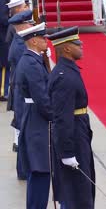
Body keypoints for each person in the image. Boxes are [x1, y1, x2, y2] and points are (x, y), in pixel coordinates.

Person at [47, 26, 95, 209]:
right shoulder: (64, 77)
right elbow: (62, 118)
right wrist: (67, 152)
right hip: (73, 134)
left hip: (79, 129)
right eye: (77, 44)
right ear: (66, 48)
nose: (81, 46)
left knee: (80, 188)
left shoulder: (68, 70)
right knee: (76, 191)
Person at [15, 22, 51, 208]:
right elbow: (42, 98)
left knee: (39, 171)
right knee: (40, 170)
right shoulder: (31, 63)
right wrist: (55, 116)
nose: (46, 41)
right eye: (43, 38)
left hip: (34, 117)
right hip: (37, 121)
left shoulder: (32, 59)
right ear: (34, 41)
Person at [7, 9, 34, 181]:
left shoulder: (19, 42)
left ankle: (23, 169)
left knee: (24, 132)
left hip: (20, 92)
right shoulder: (19, 45)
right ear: (23, 25)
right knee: (25, 133)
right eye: (30, 23)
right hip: (22, 94)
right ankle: (24, 170)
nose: (31, 26)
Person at [0, 0, 11, 101]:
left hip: (3, 33)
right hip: (2, 34)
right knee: (4, 64)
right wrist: (11, 22)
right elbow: (2, 17)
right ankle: (3, 91)